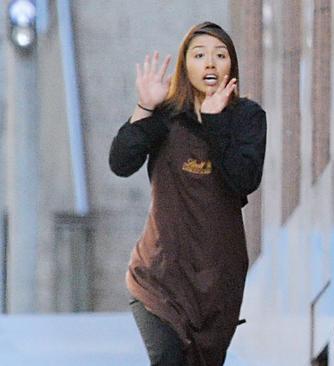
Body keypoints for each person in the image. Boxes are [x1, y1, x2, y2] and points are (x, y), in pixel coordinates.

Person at [109, 21, 266, 366]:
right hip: (158, 277)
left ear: (231, 66)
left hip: (217, 284)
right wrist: (144, 108)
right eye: (199, 55)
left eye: (219, 55)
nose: (210, 63)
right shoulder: (165, 115)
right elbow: (121, 163)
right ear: (185, 66)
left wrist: (215, 123)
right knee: (167, 357)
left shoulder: (247, 118)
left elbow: (244, 180)